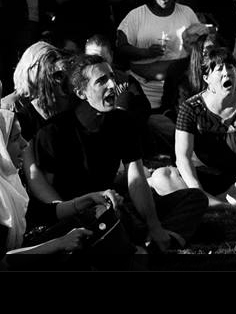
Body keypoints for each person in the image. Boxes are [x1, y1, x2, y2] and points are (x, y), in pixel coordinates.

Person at [28, 54, 207, 251]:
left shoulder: (123, 122)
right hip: (78, 215)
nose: (113, 85)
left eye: (112, 77)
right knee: (110, 220)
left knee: (193, 198)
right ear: (81, 93)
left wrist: (154, 225)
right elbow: (49, 198)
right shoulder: (54, 132)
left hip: (115, 203)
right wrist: (80, 210)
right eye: (102, 81)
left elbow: (136, 180)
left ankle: (155, 241)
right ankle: (142, 244)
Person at [145, 47, 236, 210]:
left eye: (230, 67)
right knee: (162, 176)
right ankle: (221, 205)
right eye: (219, 69)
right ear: (207, 78)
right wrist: (197, 190)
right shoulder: (189, 108)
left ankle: (212, 204)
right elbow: (183, 158)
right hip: (205, 175)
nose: (227, 73)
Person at [0, 106, 125, 258]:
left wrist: (88, 199)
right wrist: (59, 244)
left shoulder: (9, 183)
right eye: (14, 139)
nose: (25, 143)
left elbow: (42, 213)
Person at [116, 0, 199, 111]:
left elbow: (201, 43)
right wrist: (145, 52)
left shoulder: (187, 12)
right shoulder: (136, 15)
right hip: (145, 89)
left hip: (180, 90)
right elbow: (121, 48)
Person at [0, 41, 70, 143]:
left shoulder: (57, 101)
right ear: (32, 69)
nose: (58, 81)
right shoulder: (8, 106)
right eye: (54, 74)